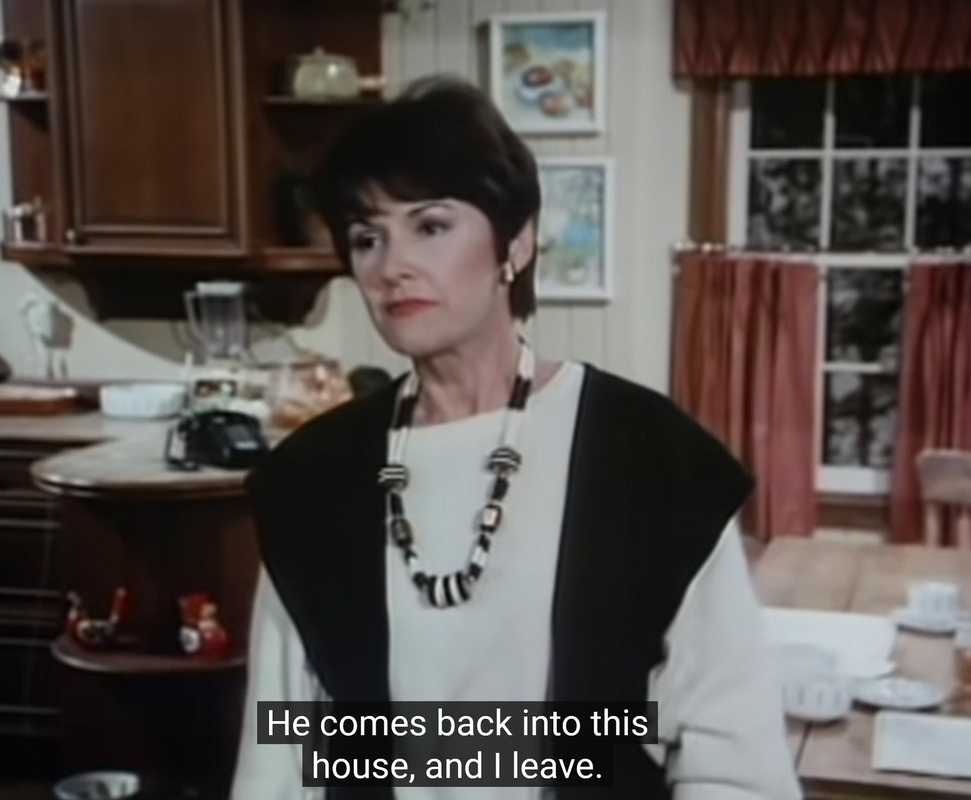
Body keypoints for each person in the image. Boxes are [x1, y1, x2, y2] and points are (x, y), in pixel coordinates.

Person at [230, 76, 800, 800]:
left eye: (430, 226)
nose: (391, 265)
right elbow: (277, 763)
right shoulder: (311, 478)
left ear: (517, 241)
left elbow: (733, 759)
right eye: (367, 238)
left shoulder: (651, 459)